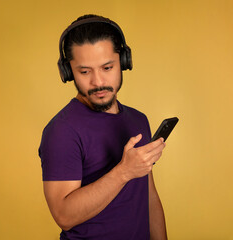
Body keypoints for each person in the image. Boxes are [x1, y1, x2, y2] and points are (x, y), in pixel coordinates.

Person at [38, 14, 168, 240]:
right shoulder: (61, 131)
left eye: (107, 67)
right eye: (85, 71)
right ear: (68, 72)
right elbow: (64, 216)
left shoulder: (138, 120)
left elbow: (149, 197)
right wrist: (124, 171)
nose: (98, 82)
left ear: (124, 62)